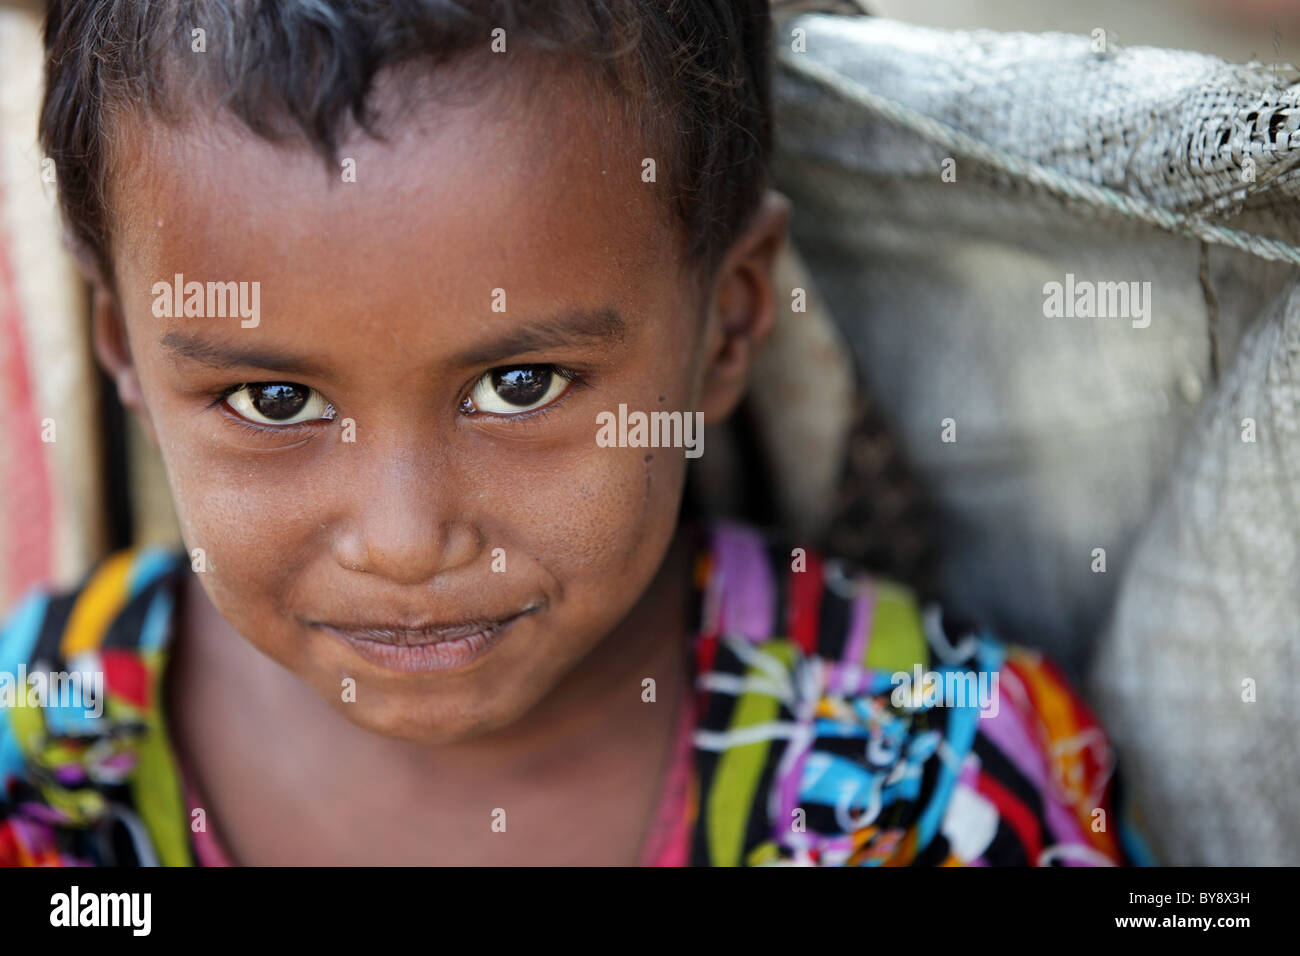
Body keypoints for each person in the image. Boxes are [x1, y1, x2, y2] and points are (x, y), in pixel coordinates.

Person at [0, 0, 1148, 866]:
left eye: (520, 383)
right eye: (275, 400)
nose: (404, 541)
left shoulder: (929, 777)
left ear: (726, 326)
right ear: (125, 351)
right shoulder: (40, 751)